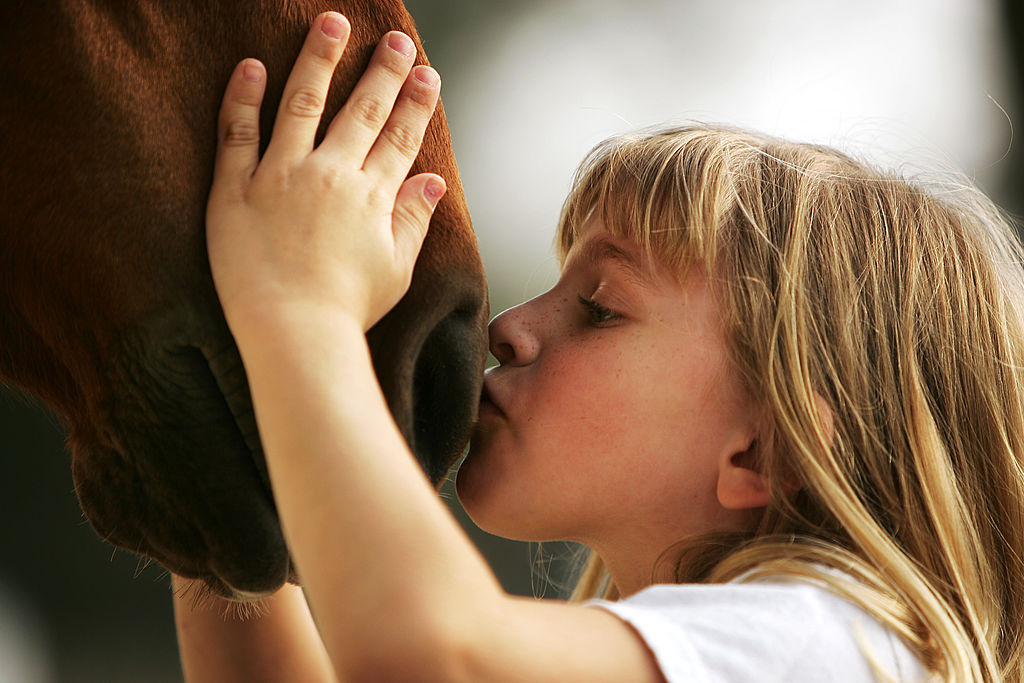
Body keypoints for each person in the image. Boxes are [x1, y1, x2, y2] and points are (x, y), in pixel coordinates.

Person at [172, 11, 1024, 682]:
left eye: (601, 308)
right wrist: (213, 451)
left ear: (768, 448)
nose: (512, 325)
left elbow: (430, 655)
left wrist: (298, 303)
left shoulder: (835, 644)